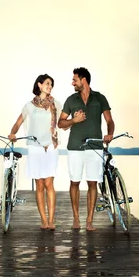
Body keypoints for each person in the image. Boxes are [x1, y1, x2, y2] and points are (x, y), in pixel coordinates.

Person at [58, 67, 115, 231]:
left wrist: (109, 134)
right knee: (74, 182)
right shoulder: (71, 100)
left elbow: (109, 120)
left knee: (92, 183)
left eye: (74, 80)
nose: (72, 83)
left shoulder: (100, 98)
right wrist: (74, 121)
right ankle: (76, 219)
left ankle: (89, 220)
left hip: (95, 146)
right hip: (75, 147)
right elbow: (61, 124)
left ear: (84, 80)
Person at [8, 74, 61, 231]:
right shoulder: (29, 106)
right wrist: (12, 133)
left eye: (51, 84)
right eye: (47, 83)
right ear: (39, 85)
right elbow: (18, 123)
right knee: (39, 185)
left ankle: (51, 220)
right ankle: (43, 220)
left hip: (51, 146)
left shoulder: (56, 104)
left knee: (49, 183)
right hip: (35, 147)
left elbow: (62, 121)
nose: (49, 86)